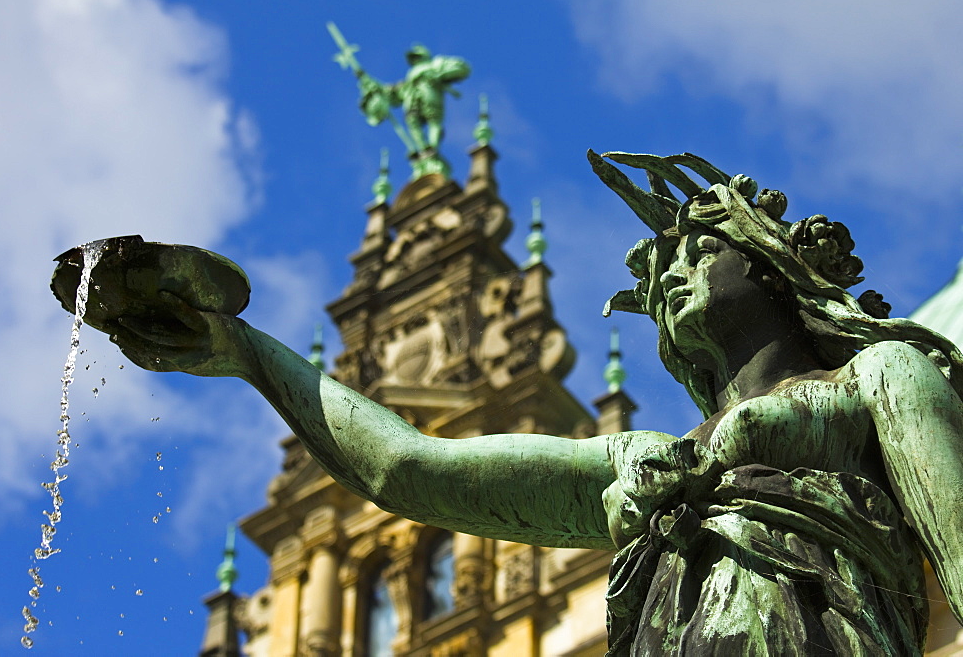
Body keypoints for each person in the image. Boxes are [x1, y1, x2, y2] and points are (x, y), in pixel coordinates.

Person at [102, 151, 963, 655]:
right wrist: (248, 353)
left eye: (699, 248)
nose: (672, 271)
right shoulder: (648, 464)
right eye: (664, 271)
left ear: (771, 264)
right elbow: (409, 467)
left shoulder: (880, 379)